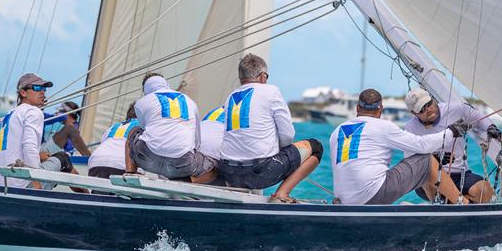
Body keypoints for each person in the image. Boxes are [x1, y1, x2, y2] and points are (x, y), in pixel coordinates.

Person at [330, 88, 468, 205]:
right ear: (381, 109)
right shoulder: (382, 126)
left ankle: (439, 205)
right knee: (427, 159)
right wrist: (452, 132)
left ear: (357, 108)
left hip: (344, 201)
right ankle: (462, 205)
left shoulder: (337, 131)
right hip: (372, 195)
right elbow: (422, 146)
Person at [220, 54, 323, 203]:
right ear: (262, 76)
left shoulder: (230, 97)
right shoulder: (270, 91)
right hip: (260, 173)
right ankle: (282, 194)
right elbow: (288, 135)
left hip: (229, 173)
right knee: (316, 147)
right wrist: (278, 151)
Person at [403, 88, 502, 203]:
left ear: (432, 98)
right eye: (421, 110)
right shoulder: (410, 128)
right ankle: (441, 204)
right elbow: (411, 163)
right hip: (429, 182)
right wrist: (435, 158)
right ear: (414, 114)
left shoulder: (456, 109)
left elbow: (476, 116)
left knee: (485, 191)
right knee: (426, 171)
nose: (428, 110)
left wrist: (490, 128)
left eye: (428, 104)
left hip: (459, 174)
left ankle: (457, 205)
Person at [125, 72, 217, 183]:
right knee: (214, 168)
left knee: (134, 131)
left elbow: (145, 132)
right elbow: (196, 142)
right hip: (182, 164)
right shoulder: (190, 101)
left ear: (145, 90)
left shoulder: (141, 102)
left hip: (149, 160)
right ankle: (188, 183)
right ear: (166, 85)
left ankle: (130, 174)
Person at [0, 73, 77, 189]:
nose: (42, 92)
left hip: (3, 183)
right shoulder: (33, 111)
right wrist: (35, 181)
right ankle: (90, 200)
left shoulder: (11, 113)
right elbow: (29, 146)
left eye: (44, 89)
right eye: (37, 88)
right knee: (63, 159)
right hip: (22, 184)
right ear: (23, 92)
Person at [88, 103, 141, 179]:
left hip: (96, 161)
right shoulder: (143, 126)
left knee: (99, 190)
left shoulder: (114, 126)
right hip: (122, 165)